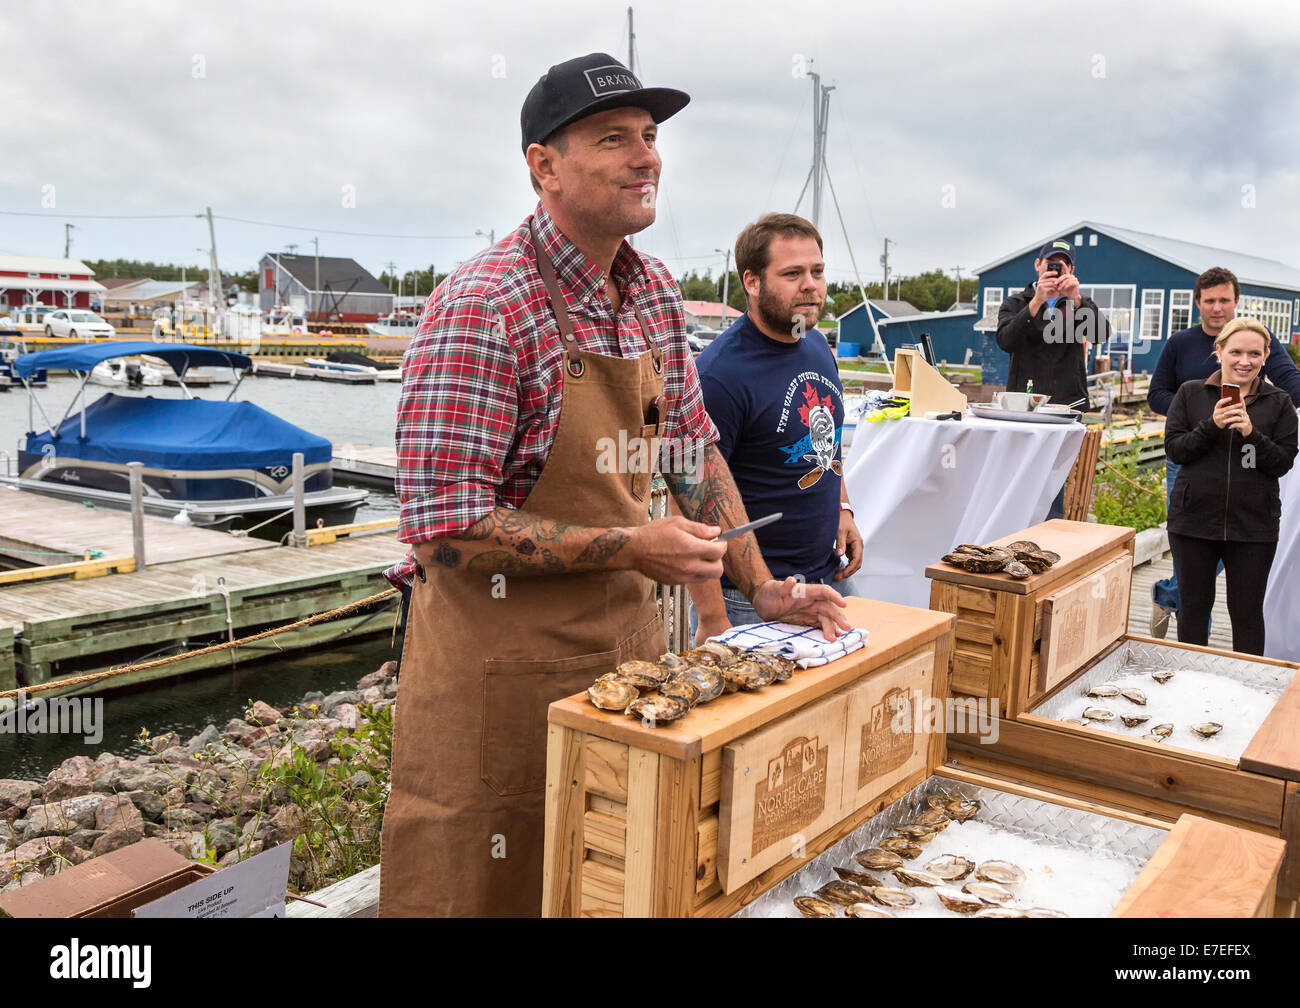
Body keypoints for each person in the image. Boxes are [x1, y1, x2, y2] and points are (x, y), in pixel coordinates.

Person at [378, 52, 851, 918]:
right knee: (485, 882)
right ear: (543, 165)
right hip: (495, 674)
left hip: (627, 662)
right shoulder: (483, 305)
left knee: (611, 881)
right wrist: (634, 544)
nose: (647, 157)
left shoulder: (655, 293)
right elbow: (443, 532)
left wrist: (765, 588)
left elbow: (692, 454)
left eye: (650, 136)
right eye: (614, 139)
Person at [687, 213, 863, 644]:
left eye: (817, 271)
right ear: (752, 281)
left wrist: (843, 508)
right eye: (792, 274)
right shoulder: (719, 376)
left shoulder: (819, 346)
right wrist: (712, 617)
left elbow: (827, 439)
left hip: (829, 578)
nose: (811, 284)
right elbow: (691, 504)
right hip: (747, 600)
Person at [1147, 266, 1300, 637]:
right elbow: (1172, 434)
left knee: (1247, 611)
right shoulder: (1188, 376)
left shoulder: (1275, 400)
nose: (1244, 360)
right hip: (1194, 495)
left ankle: (1171, 593)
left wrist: (1251, 431)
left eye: (1253, 354)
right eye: (1210, 300)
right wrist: (1205, 419)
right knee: (1195, 602)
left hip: (1253, 519)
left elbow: (1282, 459)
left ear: (1265, 355)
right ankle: (1188, 672)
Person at [995, 239, 1111, 518]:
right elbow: (1005, 340)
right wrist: (1036, 302)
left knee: (1055, 481)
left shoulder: (1079, 304)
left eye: (1063, 264)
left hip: (1065, 406)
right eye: (1050, 263)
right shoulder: (1017, 302)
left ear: (1071, 269)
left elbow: (1101, 334)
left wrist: (1076, 300)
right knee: (1020, 475)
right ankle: (1017, 531)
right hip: (1024, 406)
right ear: (1038, 265)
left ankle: (1050, 539)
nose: (1056, 269)